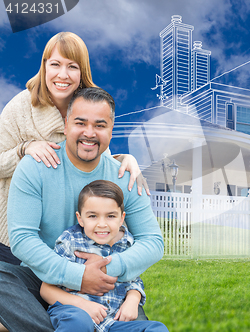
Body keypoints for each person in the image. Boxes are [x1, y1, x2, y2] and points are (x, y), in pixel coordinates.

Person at [0, 87, 164, 332]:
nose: (89, 133)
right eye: (80, 123)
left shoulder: (124, 175)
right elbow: (23, 239)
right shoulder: (34, 167)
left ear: (111, 129)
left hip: (106, 283)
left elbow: (152, 242)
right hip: (43, 278)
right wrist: (77, 275)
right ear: (66, 124)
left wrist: (107, 268)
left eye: (100, 125)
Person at [0, 32, 149, 264]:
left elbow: (96, 156)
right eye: (55, 64)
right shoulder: (21, 107)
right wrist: (24, 149)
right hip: (13, 235)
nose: (63, 75)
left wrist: (123, 158)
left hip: (70, 237)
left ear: (82, 73)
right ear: (44, 67)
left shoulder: (90, 104)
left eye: (72, 67)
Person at [40, 180, 168, 332]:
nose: (102, 224)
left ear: (122, 218)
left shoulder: (127, 243)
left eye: (111, 216)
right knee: (78, 322)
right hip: (74, 312)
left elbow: (134, 280)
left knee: (157, 328)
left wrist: (133, 300)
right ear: (80, 218)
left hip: (112, 321)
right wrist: (83, 305)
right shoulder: (71, 241)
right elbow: (46, 289)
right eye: (93, 216)